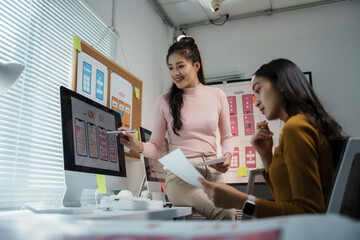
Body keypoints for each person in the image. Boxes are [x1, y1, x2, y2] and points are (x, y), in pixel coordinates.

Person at [198, 58, 346, 218]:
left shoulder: (295, 128)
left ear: (281, 84)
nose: (255, 102)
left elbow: (308, 212)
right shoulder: (305, 123)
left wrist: (241, 201)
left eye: (258, 90)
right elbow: (285, 198)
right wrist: (266, 155)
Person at [117, 37, 236, 220]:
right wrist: (135, 144)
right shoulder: (164, 101)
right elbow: (156, 146)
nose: (175, 73)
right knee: (224, 212)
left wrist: (227, 156)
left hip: (212, 173)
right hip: (181, 178)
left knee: (231, 213)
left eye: (180, 66)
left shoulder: (218, 95)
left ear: (196, 66)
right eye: (170, 68)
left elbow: (226, 137)